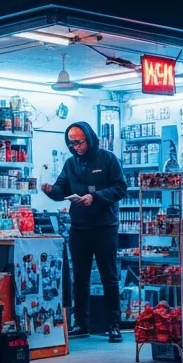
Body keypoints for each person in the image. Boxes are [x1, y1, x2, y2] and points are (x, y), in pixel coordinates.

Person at [42, 122, 127, 342]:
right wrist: (51, 191)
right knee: (80, 278)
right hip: (79, 228)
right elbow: (62, 189)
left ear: (89, 138)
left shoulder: (108, 159)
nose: (76, 147)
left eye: (79, 142)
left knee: (109, 277)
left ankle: (114, 325)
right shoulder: (71, 163)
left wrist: (95, 197)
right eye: (71, 143)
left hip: (104, 227)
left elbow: (120, 188)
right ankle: (81, 323)